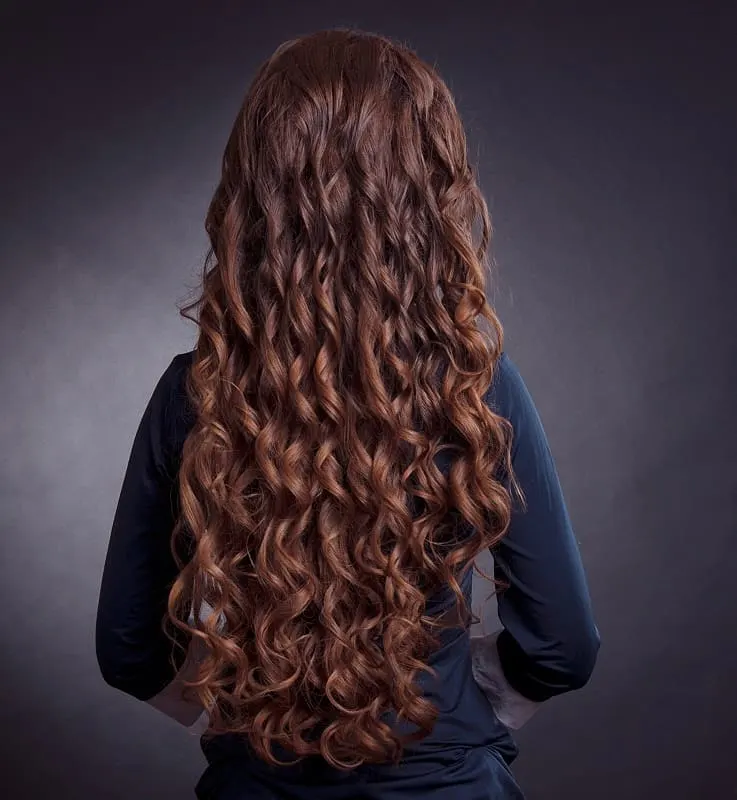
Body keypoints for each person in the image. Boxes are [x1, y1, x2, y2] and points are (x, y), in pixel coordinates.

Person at [95, 28, 600, 799]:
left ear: (254, 186)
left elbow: (130, 650)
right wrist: (467, 703)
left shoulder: (196, 391)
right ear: (426, 187)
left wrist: (237, 699)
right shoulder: (475, 387)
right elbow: (562, 646)